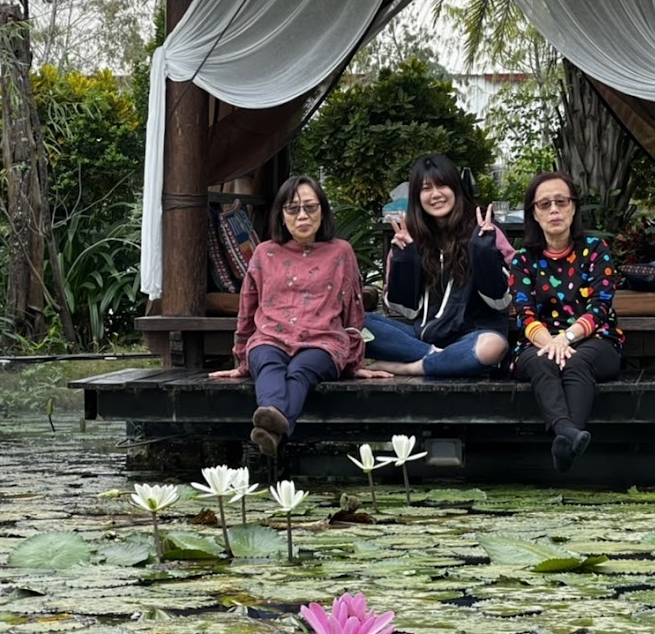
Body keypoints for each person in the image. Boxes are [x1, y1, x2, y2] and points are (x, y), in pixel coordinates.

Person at [209, 175, 391, 456]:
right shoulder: (264, 253)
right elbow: (247, 309)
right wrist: (243, 360)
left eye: (310, 207)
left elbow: (353, 311)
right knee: (267, 363)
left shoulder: (340, 252)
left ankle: (271, 423)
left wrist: (354, 363)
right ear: (281, 215)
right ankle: (274, 429)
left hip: (323, 342)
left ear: (323, 211)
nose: (302, 215)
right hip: (269, 338)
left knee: (301, 370)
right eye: (293, 209)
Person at [509, 171, 623, 473]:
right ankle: (569, 435)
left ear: (573, 207)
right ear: (534, 213)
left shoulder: (596, 250)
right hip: (537, 343)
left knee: (576, 361)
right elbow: (524, 313)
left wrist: (566, 339)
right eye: (544, 204)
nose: (554, 210)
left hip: (596, 341)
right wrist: (551, 343)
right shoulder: (523, 260)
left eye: (561, 202)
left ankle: (565, 438)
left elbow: (600, 307)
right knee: (541, 361)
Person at [364, 154, 513, 377]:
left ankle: (411, 367)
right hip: (422, 336)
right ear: (417, 196)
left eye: (442, 185)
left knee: (492, 346)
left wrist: (484, 254)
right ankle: (441, 358)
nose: (435, 195)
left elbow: (502, 301)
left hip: (473, 335)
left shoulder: (484, 229)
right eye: (426, 188)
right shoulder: (410, 236)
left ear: (456, 188)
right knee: (356, 325)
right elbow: (405, 309)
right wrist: (405, 261)